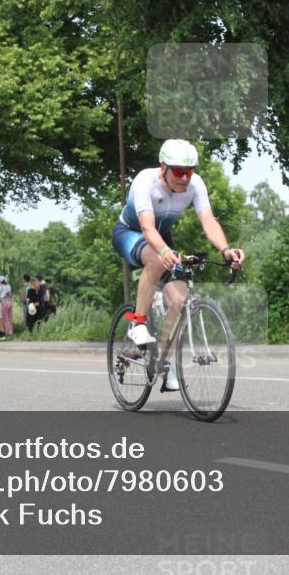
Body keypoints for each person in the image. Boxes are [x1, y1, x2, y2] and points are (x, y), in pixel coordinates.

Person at [111, 139, 245, 392]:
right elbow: (147, 228)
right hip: (130, 232)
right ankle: (137, 322)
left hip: (162, 238)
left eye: (189, 171)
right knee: (154, 259)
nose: (185, 178)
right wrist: (163, 251)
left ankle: (164, 362)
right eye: (179, 172)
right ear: (163, 168)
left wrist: (226, 249)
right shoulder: (145, 181)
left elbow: (208, 221)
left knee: (180, 300)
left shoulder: (195, 184)